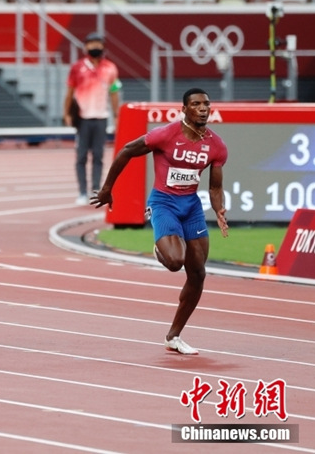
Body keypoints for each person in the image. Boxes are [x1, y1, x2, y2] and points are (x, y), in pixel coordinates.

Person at [90, 88, 229, 355]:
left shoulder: (216, 145)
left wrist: (219, 209)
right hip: (164, 203)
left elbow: (215, 187)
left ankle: (173, 336)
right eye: (196, 104)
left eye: (206, 104)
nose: (203, 109)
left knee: (198, 274)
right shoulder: (166, 134)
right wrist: (107, 189)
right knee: (175, 261)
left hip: (191, 207)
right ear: (184, 109)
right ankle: (159, 247)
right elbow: (127, 151)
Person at [63, 31, 122, 205]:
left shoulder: (110, 68)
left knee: (98, 156)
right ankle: (82, 192)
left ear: (103, 46)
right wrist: (66, 113)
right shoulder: (77, 67)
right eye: (91, 43)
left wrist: (116, 115)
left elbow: (114, 93)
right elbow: (69, 93)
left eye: (98, 43)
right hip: (82, 118)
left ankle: (95, 190)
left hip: (101, 118)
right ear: (85, 47)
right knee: (81, 156)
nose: (95, 46)